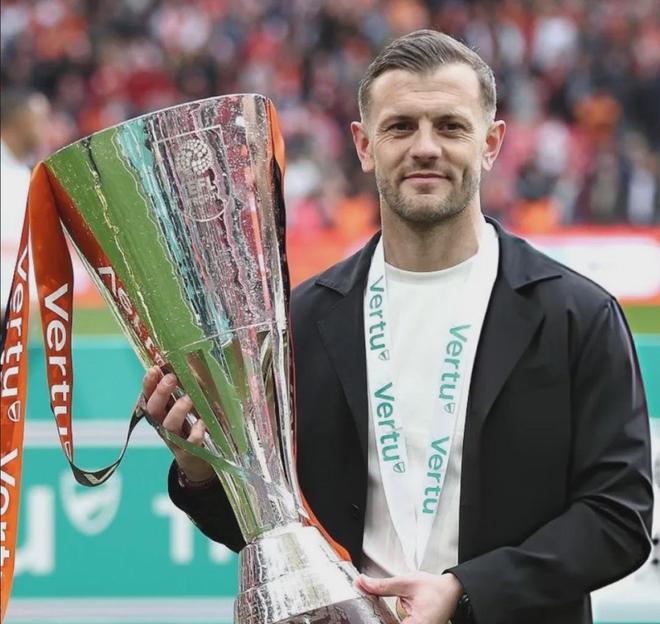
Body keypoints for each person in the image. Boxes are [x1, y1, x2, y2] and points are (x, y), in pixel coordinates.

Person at [143, 30, 654, 624]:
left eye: (451, 127)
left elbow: (620, 517)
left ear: (491, 144)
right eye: (401, 127)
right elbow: (267, 530)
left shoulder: (574, 315)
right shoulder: (299, 326)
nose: (425, 147)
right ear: (364, 145)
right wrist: (202, 474)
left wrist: (466, 590)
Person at [1, 87, 50, 306]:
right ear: (20, 120)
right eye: (41, 119)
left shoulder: (25, 172)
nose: (46, 127)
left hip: (15, 304)